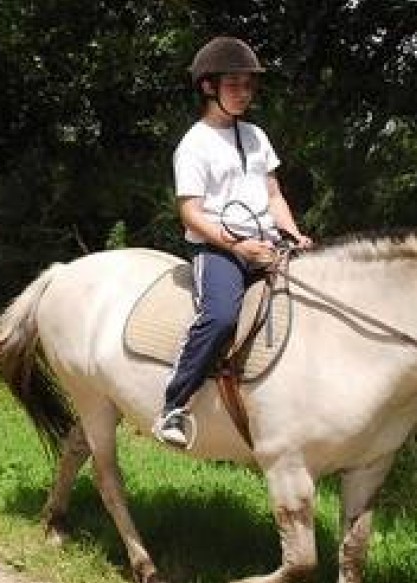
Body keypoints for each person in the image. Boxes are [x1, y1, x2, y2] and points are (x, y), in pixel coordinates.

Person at [152, 37, 314, 448]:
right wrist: (237, 247)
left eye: (249, 86)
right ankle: (173, 404)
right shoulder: (194, 144)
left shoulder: (257, 136)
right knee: (222, 316)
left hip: (267, 242)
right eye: (234, 85)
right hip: (217, 249)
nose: (244, 94)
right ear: (209, 87)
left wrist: (294, 234)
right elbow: (190, 213)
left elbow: (274, 197)